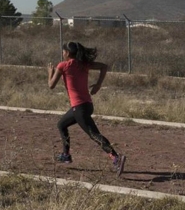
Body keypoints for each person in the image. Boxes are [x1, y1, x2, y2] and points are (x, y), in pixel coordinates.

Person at [47, 41, 126, 176]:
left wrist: (50, 72)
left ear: (67, 53)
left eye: (63, 51)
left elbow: (51, 85)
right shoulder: (83, 64)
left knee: (94, 134)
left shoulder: (63, 66)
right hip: (87, 105)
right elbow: (104, 67)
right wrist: (98, 85)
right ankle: (66, 155)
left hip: (79, 108)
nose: (62, 53)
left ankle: (116, 158)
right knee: (61, 124)